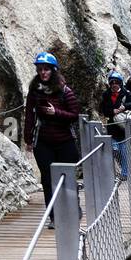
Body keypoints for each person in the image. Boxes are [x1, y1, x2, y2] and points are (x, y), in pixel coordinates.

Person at [24, 51, 81, 222]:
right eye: (40, 69)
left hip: (64, 141)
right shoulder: (34, 91)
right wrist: (28, 139)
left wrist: (56, 112)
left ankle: (72, 209)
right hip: (43, 141)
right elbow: (29, 115)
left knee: (68, 177)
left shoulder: (65, 91)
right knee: (47, 180)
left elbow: (74, 114)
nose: (43, 73)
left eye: (46, 69)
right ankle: (54, 217)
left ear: (53, 70)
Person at [98, 68, 131, 180]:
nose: (114, 84)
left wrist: (125, 107)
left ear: (120, 83)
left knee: (124, 152)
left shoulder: (126, 93)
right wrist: (112, 111)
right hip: (112, 127)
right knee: (115, 150)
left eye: (116, 82)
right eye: (112, 82)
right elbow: (103, 109)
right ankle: (115, 172)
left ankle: (125, 174)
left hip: (124, 128)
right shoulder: (106, 94)